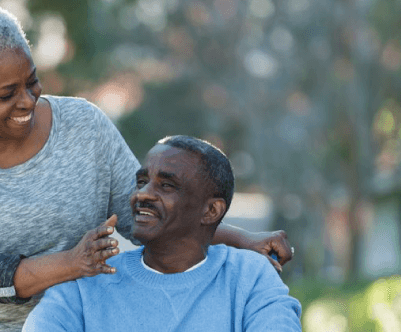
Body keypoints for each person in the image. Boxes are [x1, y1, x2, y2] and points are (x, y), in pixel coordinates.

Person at [0, 4, 294, 331]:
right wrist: (71, 263)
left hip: (75, 318)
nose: (27, 101)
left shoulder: (83, 124)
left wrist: (243, 239)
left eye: (32, 82)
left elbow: (143, 210)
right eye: (6, 94)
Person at [23, 136, 302, 332]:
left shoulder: (250, 277)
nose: (142, 194)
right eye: (142, 182)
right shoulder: (84, 285)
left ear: (211, 211)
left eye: (166, 186)